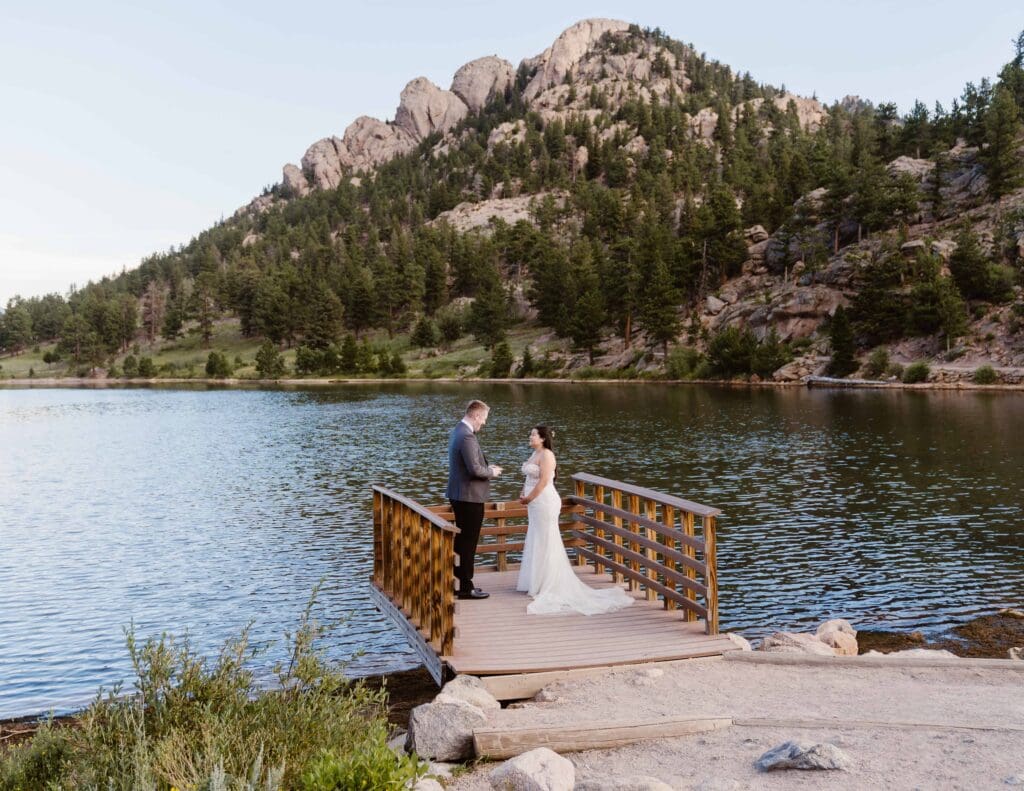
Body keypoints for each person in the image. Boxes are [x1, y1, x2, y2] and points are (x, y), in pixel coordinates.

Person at [517, 426, 633, 615]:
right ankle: (536, 580)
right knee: (536, 536)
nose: (530, 437)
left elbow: (545, 480)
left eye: (533, 434)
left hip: (544, 501)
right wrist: (523, 493)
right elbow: (531, 478)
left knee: (547, 538)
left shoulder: (547, 455)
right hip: (534, 503)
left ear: (543, 438)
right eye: (530, 434)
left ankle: (549, 581)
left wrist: (530, 498)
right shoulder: (534, 453)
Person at [446, 400, 502, 600]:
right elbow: (475, 470)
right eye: (484, 419)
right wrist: (492, 472)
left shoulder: (458, 431)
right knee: (468, 543)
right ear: (476, 415)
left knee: (462, 543)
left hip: (460, 495)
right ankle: (466, 588)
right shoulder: (467, 436)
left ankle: (462, 583)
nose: (484, 423)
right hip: (469, 497)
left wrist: (486, 468)